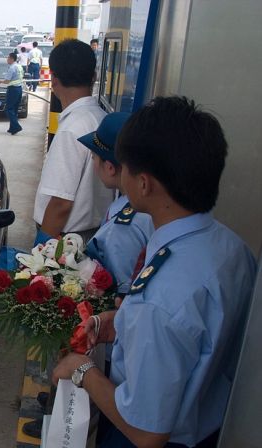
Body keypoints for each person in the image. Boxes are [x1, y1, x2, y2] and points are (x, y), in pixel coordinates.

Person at [52, 96, 257, 448]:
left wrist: (81, 370)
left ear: (143, 184)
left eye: (126, 166)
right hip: (209, 427)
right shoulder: (230, 247)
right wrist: (117, 321)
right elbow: (197, 334)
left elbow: (146, 431)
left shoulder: (159, 297)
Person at [33, 39, 112, 245]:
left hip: (65, 241)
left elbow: (61, 203)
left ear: (54, 81)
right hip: (94, 232)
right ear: (94, 77)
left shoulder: (71, 129)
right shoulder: (100, 117)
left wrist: (42, 249)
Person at [80, 112, 153, 299]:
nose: (93, 163)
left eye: (94, 157)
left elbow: (121, 295)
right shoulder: (147, 202)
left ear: (110, 168)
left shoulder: (123, 228)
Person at [0, 52, 24, 135]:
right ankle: (12, 128)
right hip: (19, 88)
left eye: (8, 58)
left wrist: (0, 81)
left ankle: (16, 126)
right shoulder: (19, 66)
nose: (7, 59)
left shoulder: (12, 68)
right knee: (14, 109)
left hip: (13, 89)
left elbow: (7, 81)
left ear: (11, 59)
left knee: (8, 109)